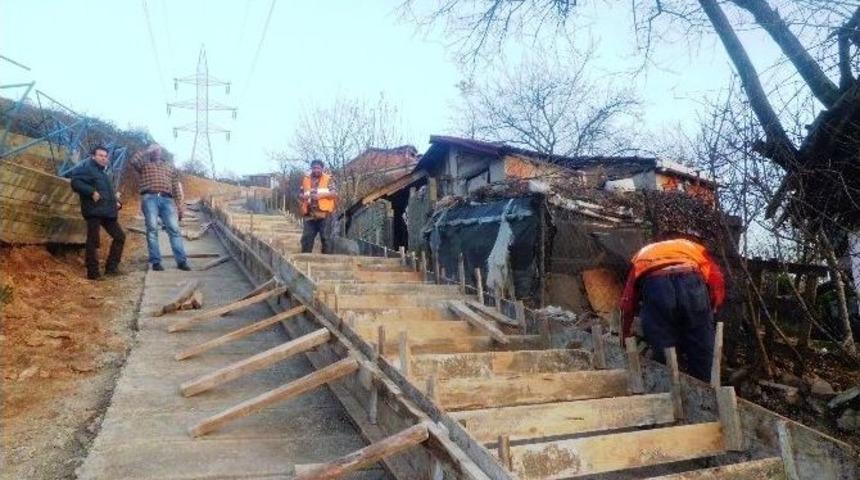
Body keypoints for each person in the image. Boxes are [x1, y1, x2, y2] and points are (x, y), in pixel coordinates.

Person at [619, 233, 725, 381]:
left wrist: (624, 335)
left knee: (663, 346)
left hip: (656, 285)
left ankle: (667, 388)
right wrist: (712, 308)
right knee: (702, 348)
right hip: (692, 282)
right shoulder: (693, 248)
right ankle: (706, 391)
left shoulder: (643, 253)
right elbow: (717, 280)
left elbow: (628, 301)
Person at [129, 144, 190, 271]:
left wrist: (180, 205)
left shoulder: (170, 167)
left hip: (167, 199)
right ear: (151, 152)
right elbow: (133, 160)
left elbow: (175, 186)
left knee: (174, 230)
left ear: (161, 152)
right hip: (149, 198)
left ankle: (181, 262)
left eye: (158, 149)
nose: (156, 151)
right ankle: (156, 262)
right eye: (154, 150)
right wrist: (147, 150)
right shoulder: (144, 165)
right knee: (152, 230)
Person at [69, 145, 126, 280]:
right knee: (93, 241)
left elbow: (108, 192)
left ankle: (111, 268)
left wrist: (116, 203)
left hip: (107, 211)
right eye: (100, 155)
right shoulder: (86, 169)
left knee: (120, 237)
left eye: (105, 156)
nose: (103, 158)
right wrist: (91, 191)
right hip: (94, 210)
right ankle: (93, 273)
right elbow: (75, 182)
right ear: (93, 156)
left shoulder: (103, 173)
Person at [298, 159, 337, 254]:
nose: (316, 170)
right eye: (314, 168)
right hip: (309, 213)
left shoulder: (328, 179)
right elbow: (300, 194)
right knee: (306, 238)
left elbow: (334, 194)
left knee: (326, 238)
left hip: (324, 214)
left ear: (322, 169)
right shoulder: (305, 179)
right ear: (311, 168)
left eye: (318, 168)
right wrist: (304, 196)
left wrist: (320, 196)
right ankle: (305, 260)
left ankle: (326, 261)